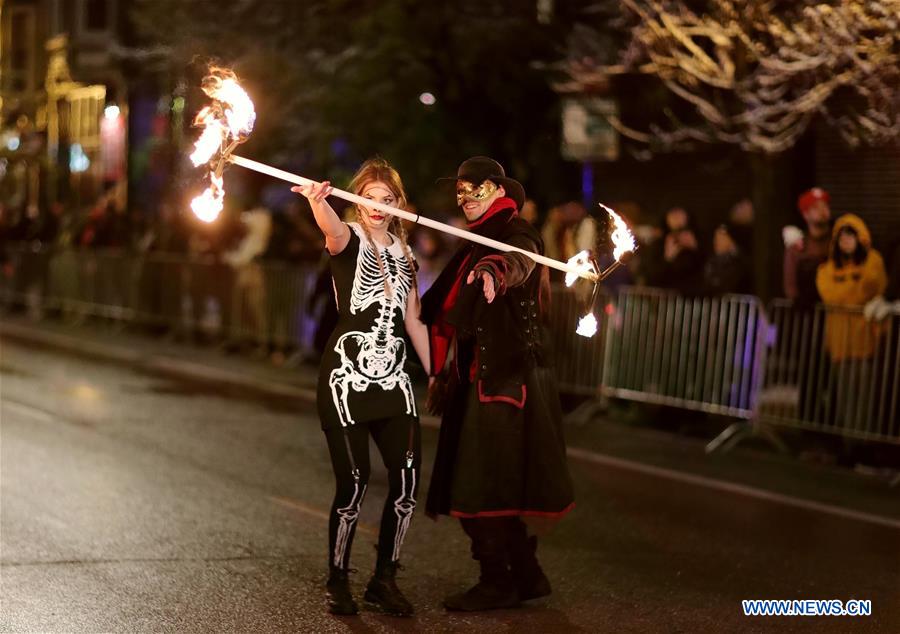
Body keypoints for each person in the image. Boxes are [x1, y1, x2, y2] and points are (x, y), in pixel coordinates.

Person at [421, 156, 574, 612]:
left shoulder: (515, 232)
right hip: (479, 376)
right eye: (459, 188)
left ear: (499, 190)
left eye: (475, 187)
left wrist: (494, 272)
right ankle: (526, 574)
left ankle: (497, 581)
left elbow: (518, 260)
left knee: (481, 484)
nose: (465, 196)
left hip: (505, 380)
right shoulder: (474, 241)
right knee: (487, 482)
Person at [291, 158, 430, 617]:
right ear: (356, 199)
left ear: (398, 204)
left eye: (388, 199)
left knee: (407, 483)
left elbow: (414, 321)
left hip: (396, 380)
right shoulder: (348, 239)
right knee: (353, 483)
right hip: (346, 376)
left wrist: (438, 374)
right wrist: (319, 202)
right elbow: (330, 229)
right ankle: (338, 579)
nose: (378, 205)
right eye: (370, 197)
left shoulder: (407, 255)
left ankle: (384, 580)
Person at [815, 214, 887, 427]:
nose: (846, 241)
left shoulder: (873, 260)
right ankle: (848, 438)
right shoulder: (827, 269)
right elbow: (831, 295)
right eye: (841, 237)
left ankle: (863, 438)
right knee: (845, 395)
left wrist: (850, 290)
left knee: (865, 394)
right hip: (840, 344)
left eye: (850, 235)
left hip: (866, 343)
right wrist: (855, 288)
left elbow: (874, 285)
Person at [784, 187, 832, 307]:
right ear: (805, 214)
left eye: (825, 206)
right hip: (806, 311)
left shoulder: (838, 242)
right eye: (816, 208)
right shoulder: (798, 247)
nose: (822, 211)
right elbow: (790, 284)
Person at [643, 206, 704, 296]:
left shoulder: (700, 239)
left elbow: (706, 272)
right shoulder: (659, 243)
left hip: (693, 297)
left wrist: (695, 248)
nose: (676, 218)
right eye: (673, 214)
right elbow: (652, 276)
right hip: (665, 297)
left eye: (679, 213)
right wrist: (668, 258)